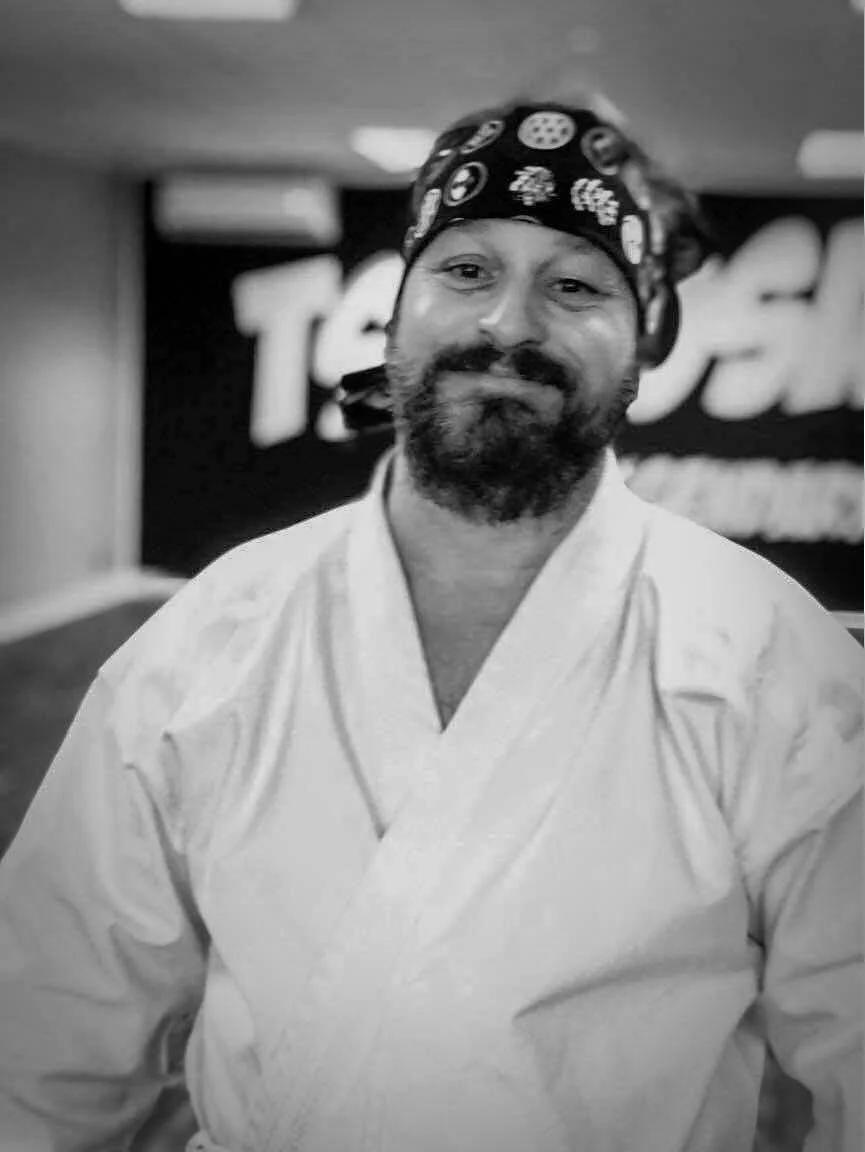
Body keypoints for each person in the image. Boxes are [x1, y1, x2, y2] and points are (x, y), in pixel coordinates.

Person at [0, 99, 861, 1152]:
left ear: (639, 352)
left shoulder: (771, 662)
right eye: (464, 270)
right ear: (395, 312)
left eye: (575, 284)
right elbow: (43, 1043)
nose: (507, 322)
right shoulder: (211, 639)